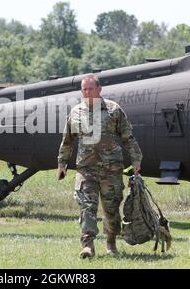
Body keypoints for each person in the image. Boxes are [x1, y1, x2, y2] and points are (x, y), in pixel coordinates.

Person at [57, 74, 142, 259]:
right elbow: (67, 141)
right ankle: (88, 245)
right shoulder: (75, 112)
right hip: (86, 169)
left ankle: (111, 242)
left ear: (99, 89)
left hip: (111, 169)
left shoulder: (113, 110)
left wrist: (136, 160)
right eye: (84, 89)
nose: (87, 92)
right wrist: (62, 164)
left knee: (111, 208)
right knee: (87, 206)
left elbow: (128, 137)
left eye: (90, 89)